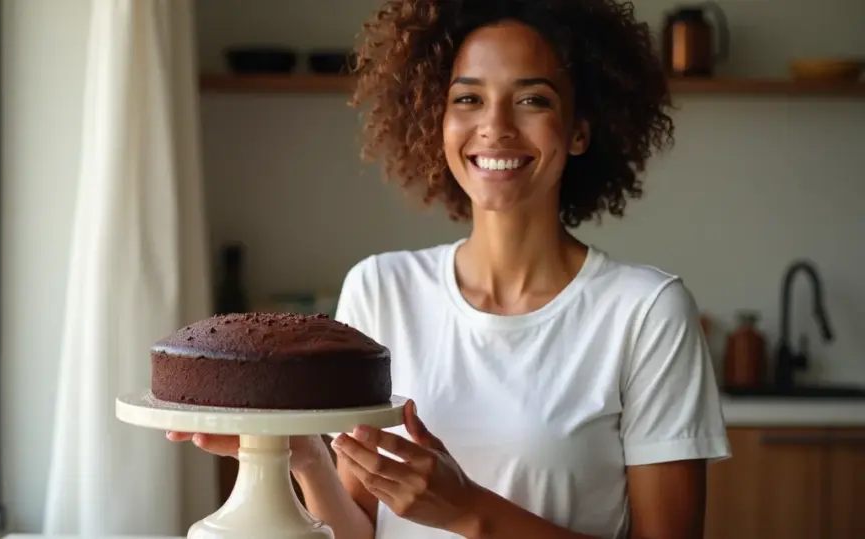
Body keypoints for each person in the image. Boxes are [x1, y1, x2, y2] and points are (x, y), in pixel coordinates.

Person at [168, 0, 731, 537]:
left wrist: (468, 513)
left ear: (580, 129)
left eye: (532, 99)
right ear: (434, 121)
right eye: (468, 99)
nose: (496, 126)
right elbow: (358, 530)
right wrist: (306, 456)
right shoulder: (380, 289)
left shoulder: (647, 312)